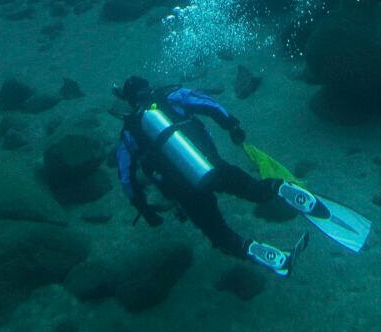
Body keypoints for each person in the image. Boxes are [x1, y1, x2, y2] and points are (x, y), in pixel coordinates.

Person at [113, 76, 307, 276]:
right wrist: (232, 125)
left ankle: (249, 249)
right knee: (253, 189)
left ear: (128, 101)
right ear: (148, 86)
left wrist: (143, 208)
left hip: (184, 191)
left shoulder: (129, 131)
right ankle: (280, 190)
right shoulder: (171, 95)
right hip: (212, 167)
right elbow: (208, 104)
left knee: (217, 232)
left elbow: (126, 178)